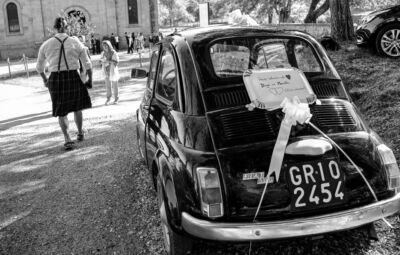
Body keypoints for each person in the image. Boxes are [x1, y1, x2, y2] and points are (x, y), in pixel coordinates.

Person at [36, 17, 92, 150]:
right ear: (67, 28)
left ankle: (67, 139)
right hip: (73, 76)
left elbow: (39, 67)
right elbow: (87, 64)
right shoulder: (75, 42)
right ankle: (80, 133)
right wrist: (90, 79)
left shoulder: (46, 44)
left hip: (55, 78)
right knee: (77, 107)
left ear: (55, 28)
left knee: (61, 110)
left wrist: (45, 79)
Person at [100, 40, 120, 105]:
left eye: (106, 46)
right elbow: (100, 61)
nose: (105, 47)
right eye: (103, 46)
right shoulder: (102, 53)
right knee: (108, 86)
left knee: (115, 85)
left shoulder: (113, 52)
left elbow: (116, 62)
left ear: (109, 45)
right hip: (106, 70)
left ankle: (116, 98)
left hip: (112, 70)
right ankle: (108, 98)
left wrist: (108, 61)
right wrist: (101, 61)